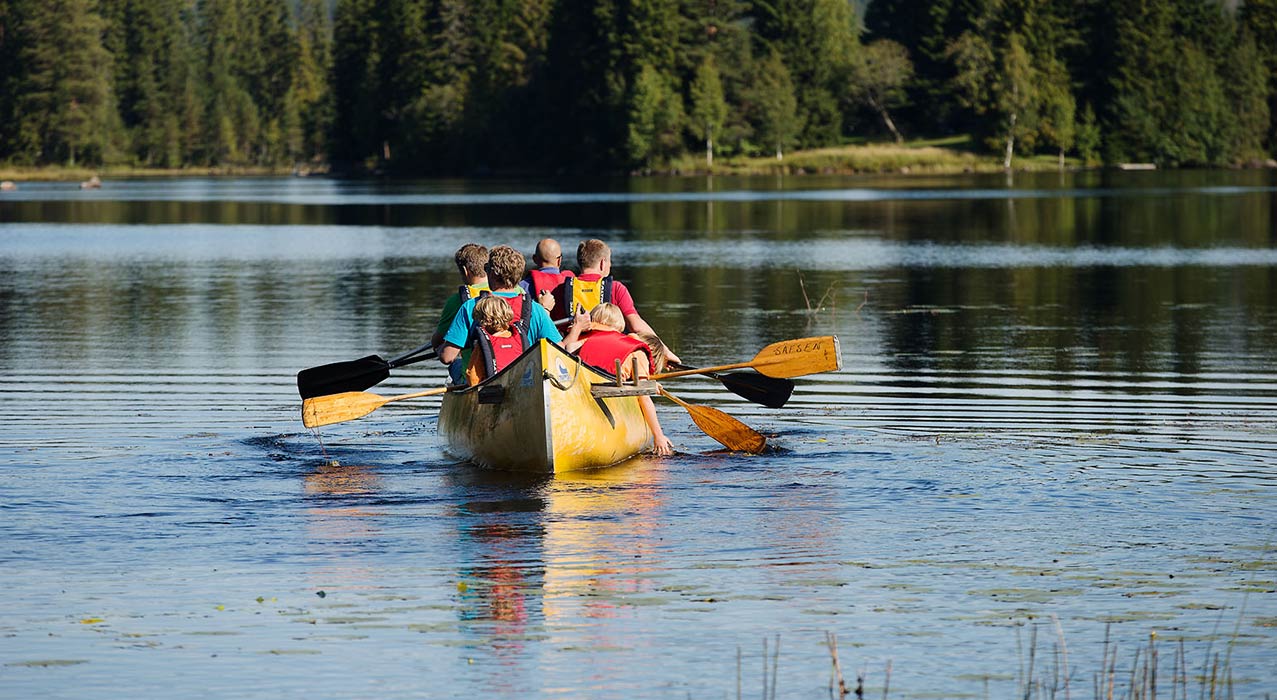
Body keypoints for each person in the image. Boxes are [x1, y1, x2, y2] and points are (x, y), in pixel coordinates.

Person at [439, 245, 587, 382]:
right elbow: (558, 349)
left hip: (485, 385)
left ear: (491, 273)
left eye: (486, 267)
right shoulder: (535, 308)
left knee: (455, 365)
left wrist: (440, 349)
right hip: (524, 383)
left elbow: (447, 357)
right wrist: (576, 329)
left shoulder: (470, 306)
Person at [568, 303, 674, 456]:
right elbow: (644, 397)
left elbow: (568, 350)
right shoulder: (635, 349)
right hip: (606, 398)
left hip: (581, 397)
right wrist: (658, 436)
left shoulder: (579, 342)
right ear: (618, 328)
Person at [560, 239, 681, 364]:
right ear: (602, 263)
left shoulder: (564, 288)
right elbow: (637, 327)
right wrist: (665, 352)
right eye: (609, 262)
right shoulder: (616, 288)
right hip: (607, 358)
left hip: (572, 356)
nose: (610, 265)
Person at [431, 243, 490, 356]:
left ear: (465, 270)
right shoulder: (503, 292)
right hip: (504, 362)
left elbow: (437, 341)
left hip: (471, 369)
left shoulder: (456, 300)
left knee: (454, 365)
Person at [464, 295, 524, 385]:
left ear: (483, 320)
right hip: (519, 386)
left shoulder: (484, 343)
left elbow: (472, 376)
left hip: (493, 391)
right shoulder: (519, 338)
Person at [519, 238, 574, 316]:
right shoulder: (572, 283)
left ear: (534, 259)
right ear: (559, 260)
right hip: (567, 327)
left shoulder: (523, 286)